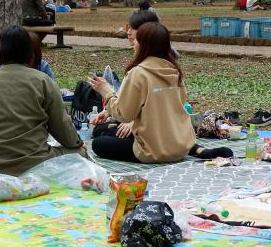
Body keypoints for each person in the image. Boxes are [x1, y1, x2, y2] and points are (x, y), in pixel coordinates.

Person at [88, 22, 232, 163]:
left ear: (144, 45)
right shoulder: (174, 70)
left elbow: (124, 114)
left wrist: (106, 91)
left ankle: (194, 150)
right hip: (181, 145)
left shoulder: (138, 73)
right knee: (108, 130)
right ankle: (198, 150)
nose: (134, 43)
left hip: (152, 151)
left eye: (137, 39)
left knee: (99, 141)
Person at [0, 25, 84, 175]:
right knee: (80, 153)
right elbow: (61, 125)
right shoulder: (43, 81)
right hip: (37, 162)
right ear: (30, 52)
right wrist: (76, 143)